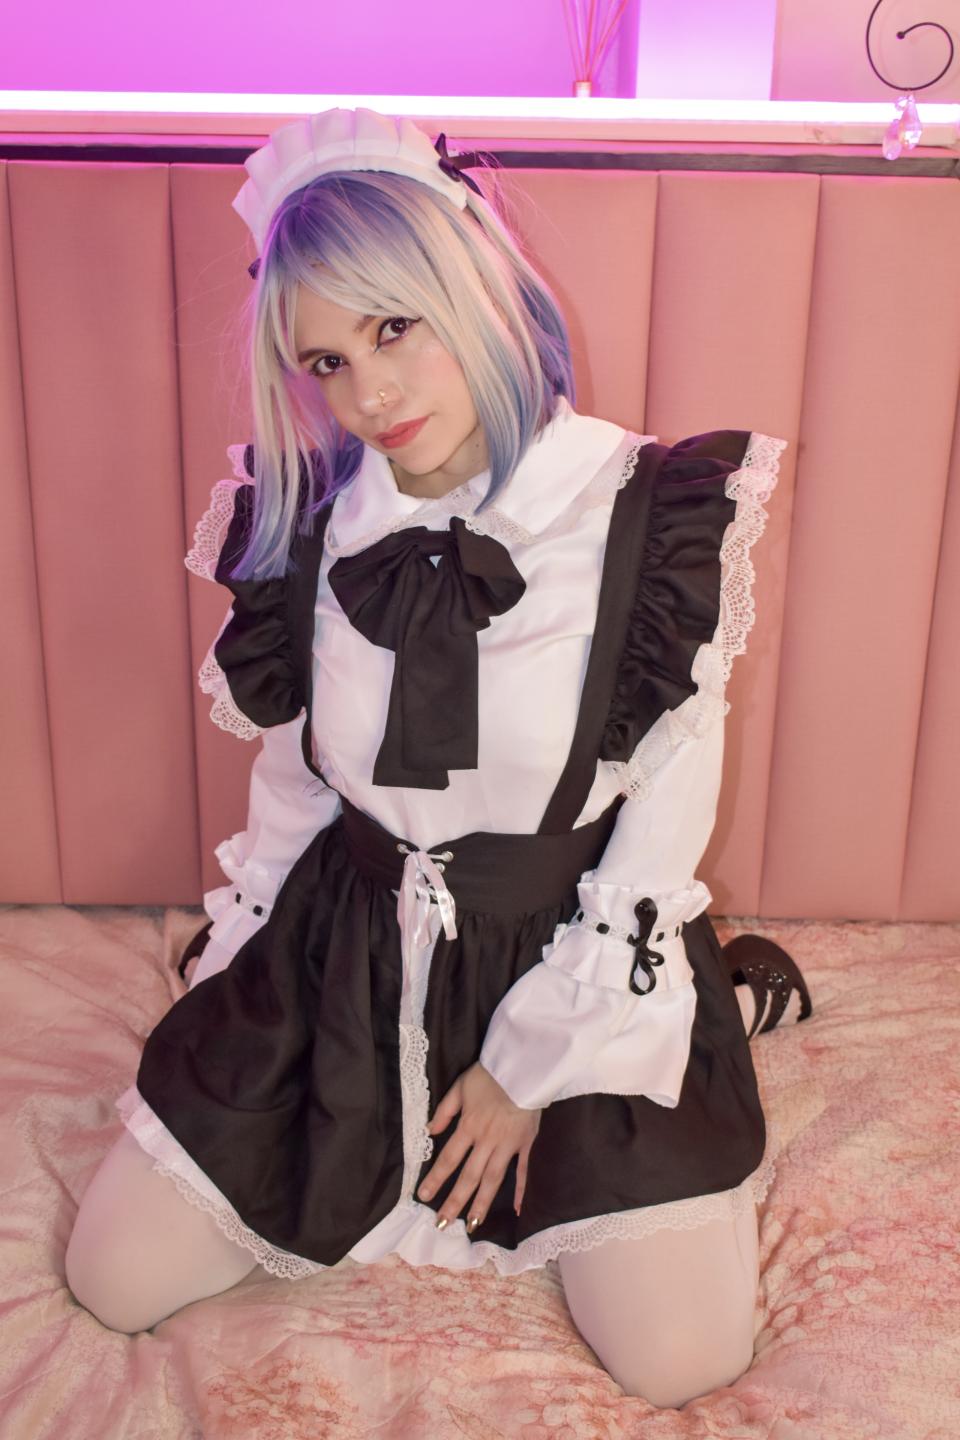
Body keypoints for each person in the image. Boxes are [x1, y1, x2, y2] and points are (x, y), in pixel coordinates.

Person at [64, 107, 812, 1408]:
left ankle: (718, 1007)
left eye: (394, 327)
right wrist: (242, 973)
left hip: (565, 947)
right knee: (112, 1277)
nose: (370, 395)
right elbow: (297, 788)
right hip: (343, 953)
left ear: (470, 285)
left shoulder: (648, 518)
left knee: (684, 1361)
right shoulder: (308, 526)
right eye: (327, 359)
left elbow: (658, 824)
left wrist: (526, 1069)